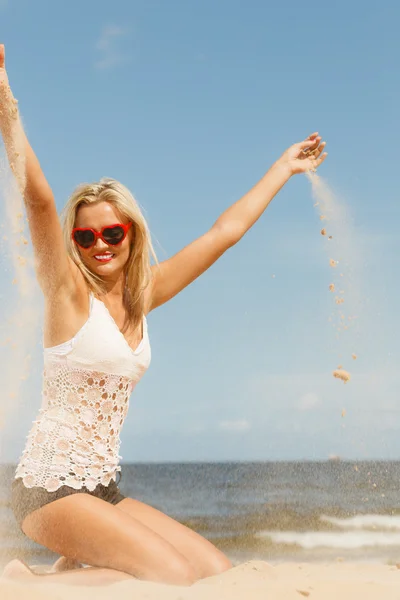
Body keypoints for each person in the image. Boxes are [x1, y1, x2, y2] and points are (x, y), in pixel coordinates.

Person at [0, 43, 327, 588]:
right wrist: (5, 99)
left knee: (214, 571)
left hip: (100, 488)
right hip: (48, 490)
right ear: (73, 242)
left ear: (131, 232)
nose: (98, 244)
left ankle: (73, 566)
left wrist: (284, 167)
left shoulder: (142, 297)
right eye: (85, 235)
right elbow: (37, 198)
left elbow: (223, 235)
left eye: (111, 232)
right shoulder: (66, 294)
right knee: (168, 577)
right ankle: (24, 581)